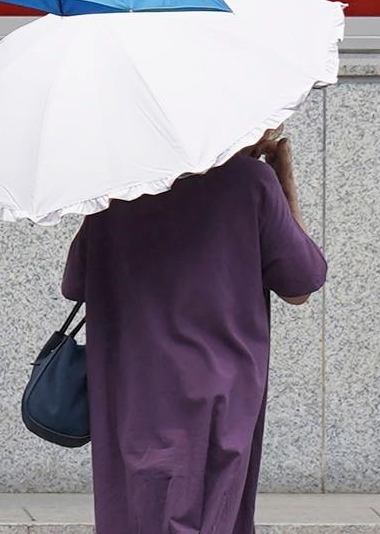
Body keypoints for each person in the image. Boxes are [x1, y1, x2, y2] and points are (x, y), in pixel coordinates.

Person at [62, 129, 328, 534]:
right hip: (222, 392)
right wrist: (282, 176)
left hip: (135, 391)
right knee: (211, 517)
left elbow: (76, 284)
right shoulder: (248, 181)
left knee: (137, 516)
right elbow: (301, 284)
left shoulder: (121, 186)